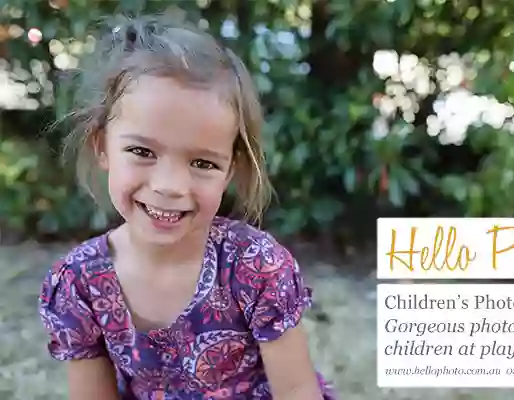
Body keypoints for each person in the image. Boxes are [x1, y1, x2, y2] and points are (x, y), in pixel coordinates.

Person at [38, 14, 335, 400]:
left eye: (203, 163)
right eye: (142, 151)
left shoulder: (255, 267)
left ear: (230, 170)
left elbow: (296, 392)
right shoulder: (78, 285)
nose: (170, 186)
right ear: (101, 147)